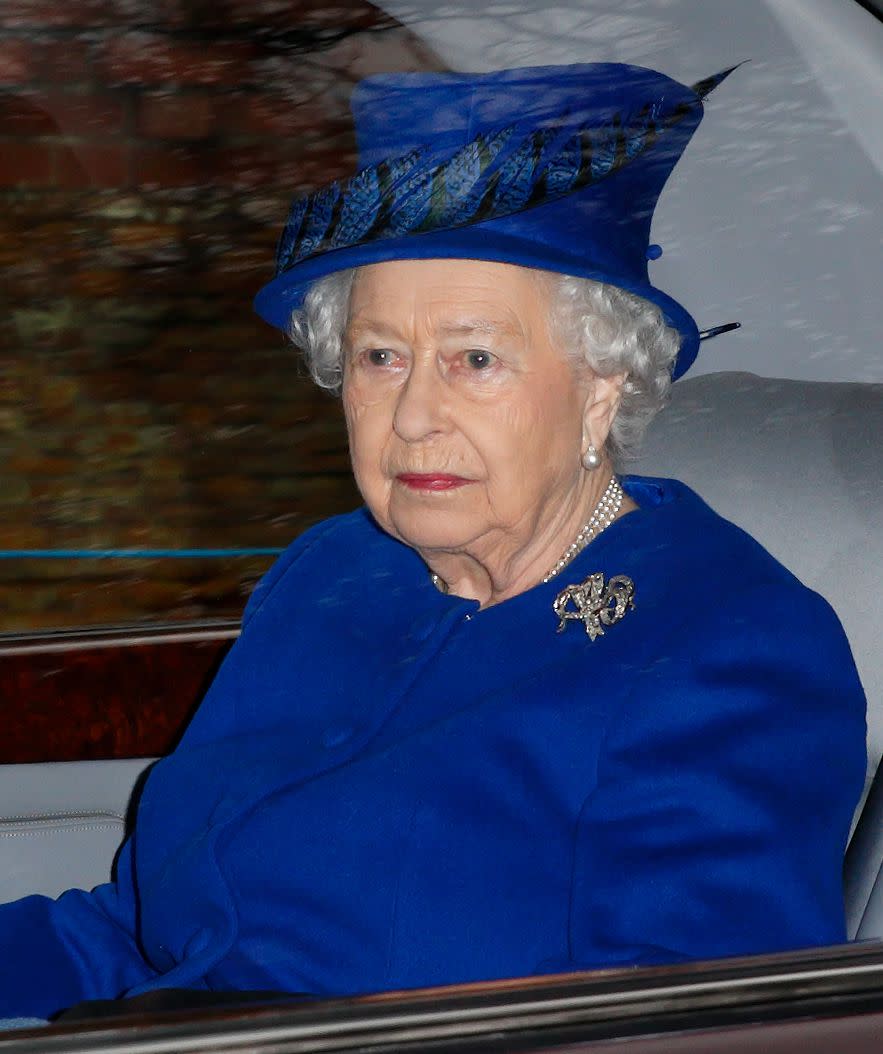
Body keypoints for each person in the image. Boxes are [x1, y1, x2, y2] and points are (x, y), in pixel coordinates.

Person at [0, 62, 866, 1023]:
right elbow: (136, 934)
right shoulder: (332, 573)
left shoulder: (726, 643)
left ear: (599, 388)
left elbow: (700, 1030)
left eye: (475, 359)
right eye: (381, 357)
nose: (413, 415)